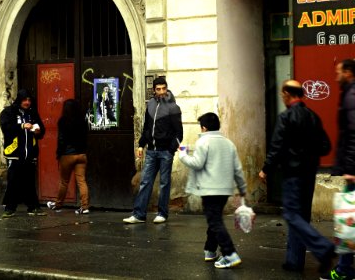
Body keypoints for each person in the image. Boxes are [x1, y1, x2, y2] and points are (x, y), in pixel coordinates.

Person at [259, 80, 334, 275]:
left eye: (282, 94)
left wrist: (266, 169)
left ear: (286, 94)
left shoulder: (286, 117)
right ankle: (294, 261)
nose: (281, 97)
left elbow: (276, 146)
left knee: (292, 215)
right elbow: (326, 146)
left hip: (293, 175)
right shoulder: (313, 117)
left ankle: (323, 248)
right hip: (309, 175)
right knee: (301, 218)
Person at [178, 112, 246, 269]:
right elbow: (237, 169)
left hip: (209, 189)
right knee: (214, 219)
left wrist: (182, 154)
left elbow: (197, 163)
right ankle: (210, 250)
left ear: (204, 127)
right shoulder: (229, 143)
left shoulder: (204, 141)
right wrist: (242, 188)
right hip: (224, 189)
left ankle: (230, 254)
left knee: (214, 221)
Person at [123, 77, 183, 224]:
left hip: (165, 152)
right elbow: (146, 128)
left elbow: (179, 132)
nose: (161, 92)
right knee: (145, 182)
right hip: (151, 151)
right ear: (154, 90)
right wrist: (140, 145)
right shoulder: (150, 104)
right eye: (158, 89)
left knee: (164, 183)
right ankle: (139, 215)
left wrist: (171, 149)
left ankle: (162, 213)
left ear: (167, 88)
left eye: (164, 88)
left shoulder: (173, 107)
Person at [321, 59, 355, 280]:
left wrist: (350, 168)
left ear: (348, 73)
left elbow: (353, 133)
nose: (335, 77)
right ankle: (344, 268)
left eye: (338, 72)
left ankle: (343, 270)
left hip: (354, 168)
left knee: (348, 218)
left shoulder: (352, 95)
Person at [0, 88, 47, 218]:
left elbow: (42, 129)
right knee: (13, 181)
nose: (27, 102)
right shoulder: (9, 112)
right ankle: (10, 208)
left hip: (30, 153)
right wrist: (21, 126)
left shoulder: (32, 113)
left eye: (29, 100)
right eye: (25, 100)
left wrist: (39, 132)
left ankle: (33, 207)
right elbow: (6, 127)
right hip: (14, 153)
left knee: (29, 182)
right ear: (19, 100)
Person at [47, 99, 90, 215]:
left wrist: (59, 154)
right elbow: (86, 138)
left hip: (67, 155)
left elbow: (61, 140)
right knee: (81, 181)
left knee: (64, 182)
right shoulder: (82, 120)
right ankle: (85, 207)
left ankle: (58, 204)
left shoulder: (63, 121)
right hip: (81, 155)